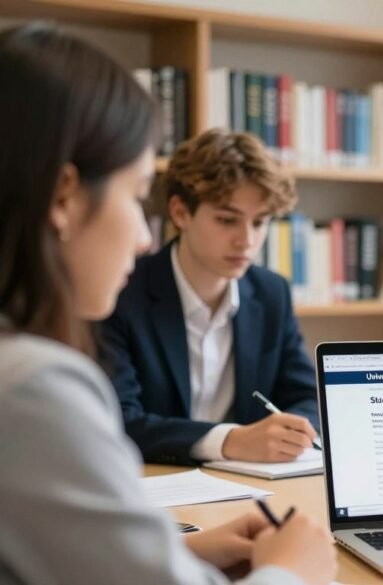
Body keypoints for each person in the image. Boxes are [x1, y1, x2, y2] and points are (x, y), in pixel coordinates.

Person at [0, 22, 336, 584]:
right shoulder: (33, 386)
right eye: (135, 198)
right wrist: (290, 573)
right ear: (63, 197)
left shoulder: (269, 291)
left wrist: (191, 551)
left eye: (260, 223)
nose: (140, 236)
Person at [101, 128, 320, 465]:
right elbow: (119, 421)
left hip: (250, 485)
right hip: (155, 487)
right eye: (227, 220)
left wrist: (294, 432)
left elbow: (307, 399)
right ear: (180, 213)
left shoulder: (271, 292)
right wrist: (230, 441)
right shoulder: (121, 291)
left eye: (260, 222)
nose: (246, 240)